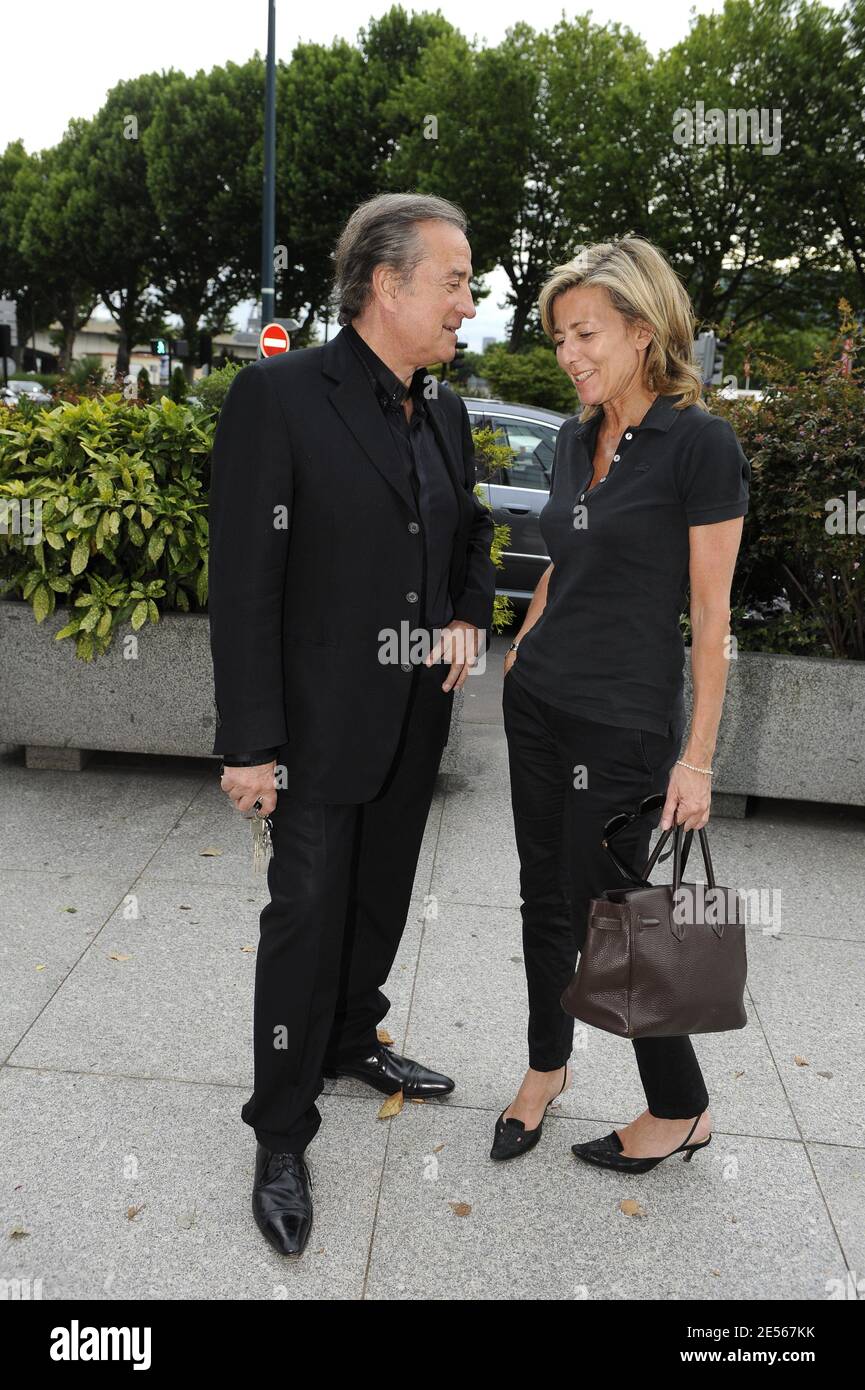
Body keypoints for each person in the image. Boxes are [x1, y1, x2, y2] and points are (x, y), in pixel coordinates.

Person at [207, 193, 496, 1255]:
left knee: (377, 903)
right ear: (388, 285)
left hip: (414, 716)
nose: (470, 300)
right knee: (305, 919)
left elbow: (468, 533)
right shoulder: (277, 396)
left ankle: (349, 1036)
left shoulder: (446, 410)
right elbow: (244, 585)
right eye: (456, 279)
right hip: (317, 725)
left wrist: (469, 611)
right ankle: (280, 1129)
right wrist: (249, 743)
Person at [494, 236, 749, 1171]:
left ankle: (680, 1107)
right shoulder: (573, 433)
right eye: (559, 335)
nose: (569, 354)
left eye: (585, 333)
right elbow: (567, 551)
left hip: (624, 719)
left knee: (615, 908)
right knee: (539, 894)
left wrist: (698, 755)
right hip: (539, 701)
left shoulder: (699, 443)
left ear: (642, 331)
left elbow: (713, 615)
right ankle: (543, 1068)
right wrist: (525, 639)